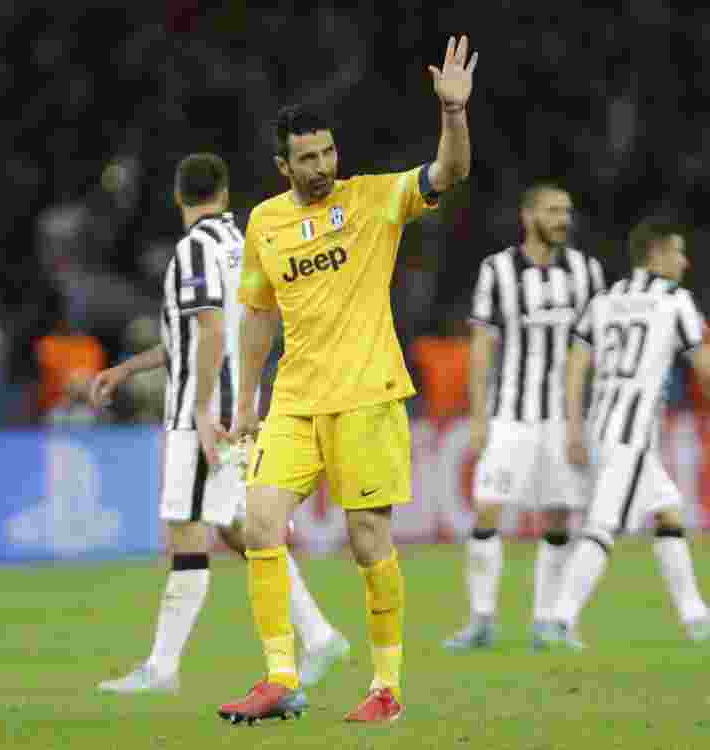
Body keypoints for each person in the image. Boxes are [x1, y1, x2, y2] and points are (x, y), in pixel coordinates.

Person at [217, 35, 477, 725]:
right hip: (296, 401)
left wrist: (453, 115)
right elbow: (256, 316)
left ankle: (386, 687)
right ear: (283, 165)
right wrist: (246, 399)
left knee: (368, 542)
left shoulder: (372, 200)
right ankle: (280, 677)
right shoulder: (266, 223)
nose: (324, 165)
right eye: (308, 157)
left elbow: (448, 174)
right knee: (259, 523)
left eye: (328, 152)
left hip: (366, 395)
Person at [92, 153, 347, 695]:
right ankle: (320, 636)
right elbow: (207, 332)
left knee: (186, 534)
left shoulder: (191, 251)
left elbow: (208, 331)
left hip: (200, 414)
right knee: (240, 528)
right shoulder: (242, 244)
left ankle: (162, 669)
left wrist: (205, 410)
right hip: (239, 405)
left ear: (177, 196)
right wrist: (127, 368)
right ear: (225, 194)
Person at [544, 218, 710, 648]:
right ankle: (558, 620)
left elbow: (575, 363)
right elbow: (707, 370)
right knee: (602, 526)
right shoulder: (675, 300)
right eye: (678, 252)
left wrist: (574, 425)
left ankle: (696, 618)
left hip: (601, 424)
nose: (685, 261)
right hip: (631, 433)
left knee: (668, 510)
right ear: (656, 255)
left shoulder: (604, 299)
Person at [441, 181, 606, 652]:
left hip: (564, 417)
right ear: (528, 215)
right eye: (553, 211)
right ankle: (481, 620)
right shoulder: (497, 271)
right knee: (488, 507)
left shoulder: (586, 271)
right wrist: (477, 418)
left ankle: (547, 621)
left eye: (566, 211)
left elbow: (593, 347)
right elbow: (481, 348)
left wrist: (583, 420)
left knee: (558, 518)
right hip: (510, 415)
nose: (562, 219)